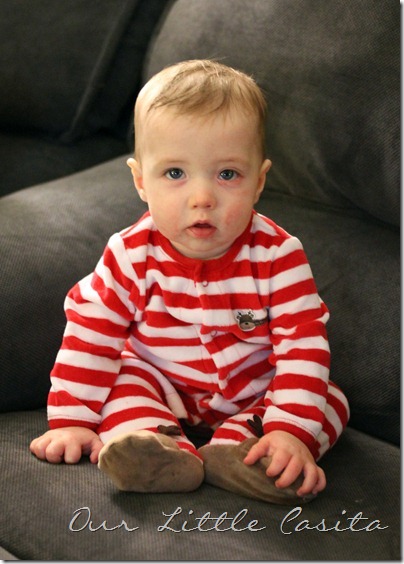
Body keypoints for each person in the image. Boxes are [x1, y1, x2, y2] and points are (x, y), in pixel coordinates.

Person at [30, 59, 349, 504]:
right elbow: (92, 334)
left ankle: (242, 454)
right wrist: (72, 420)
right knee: (119, 378)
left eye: (227, 174)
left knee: (328, 399)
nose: (202, 198)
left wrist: (291, 430)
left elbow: (302, 345)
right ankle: (159, 451)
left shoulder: (279, 255)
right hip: (160, 384)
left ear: (259, 182)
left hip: (253, 393)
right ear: (141, 181)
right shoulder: (130, 254)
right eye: (175, 174)